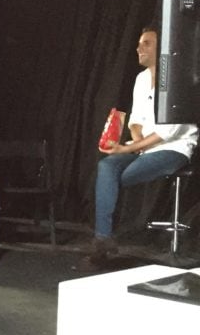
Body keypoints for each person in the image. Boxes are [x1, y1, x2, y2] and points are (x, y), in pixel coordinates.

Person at [79, 26, 198, 270]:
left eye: (146, 44)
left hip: (174, 148)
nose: (138, 48)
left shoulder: (178, 79)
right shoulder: (141, 79)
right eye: (138, 43)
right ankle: (103, 239)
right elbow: (135, 119)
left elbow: (170, 132)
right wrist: (134, 141)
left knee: (117, 176)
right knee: (105, 166)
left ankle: (103, 242)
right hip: (143, 146)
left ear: (162, 48)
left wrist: (126, 149)